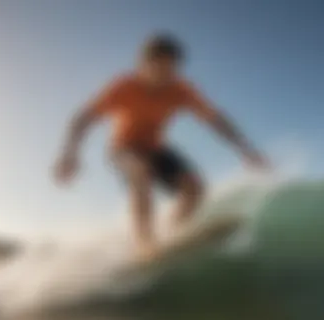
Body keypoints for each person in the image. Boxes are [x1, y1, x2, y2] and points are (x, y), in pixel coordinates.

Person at [53, 33, 270, 259]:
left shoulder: (182, 90)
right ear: (142, 64)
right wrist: (69, 154)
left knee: (194, 188)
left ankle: (173, 233)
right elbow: (83, 118)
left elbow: (216, 121)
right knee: (140, 172)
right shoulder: (123, 86)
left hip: (155, 148)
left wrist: (246, 149)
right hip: (123, 148)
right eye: (159, 68)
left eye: (171, 70)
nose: (164, 76)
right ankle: (145, 244)